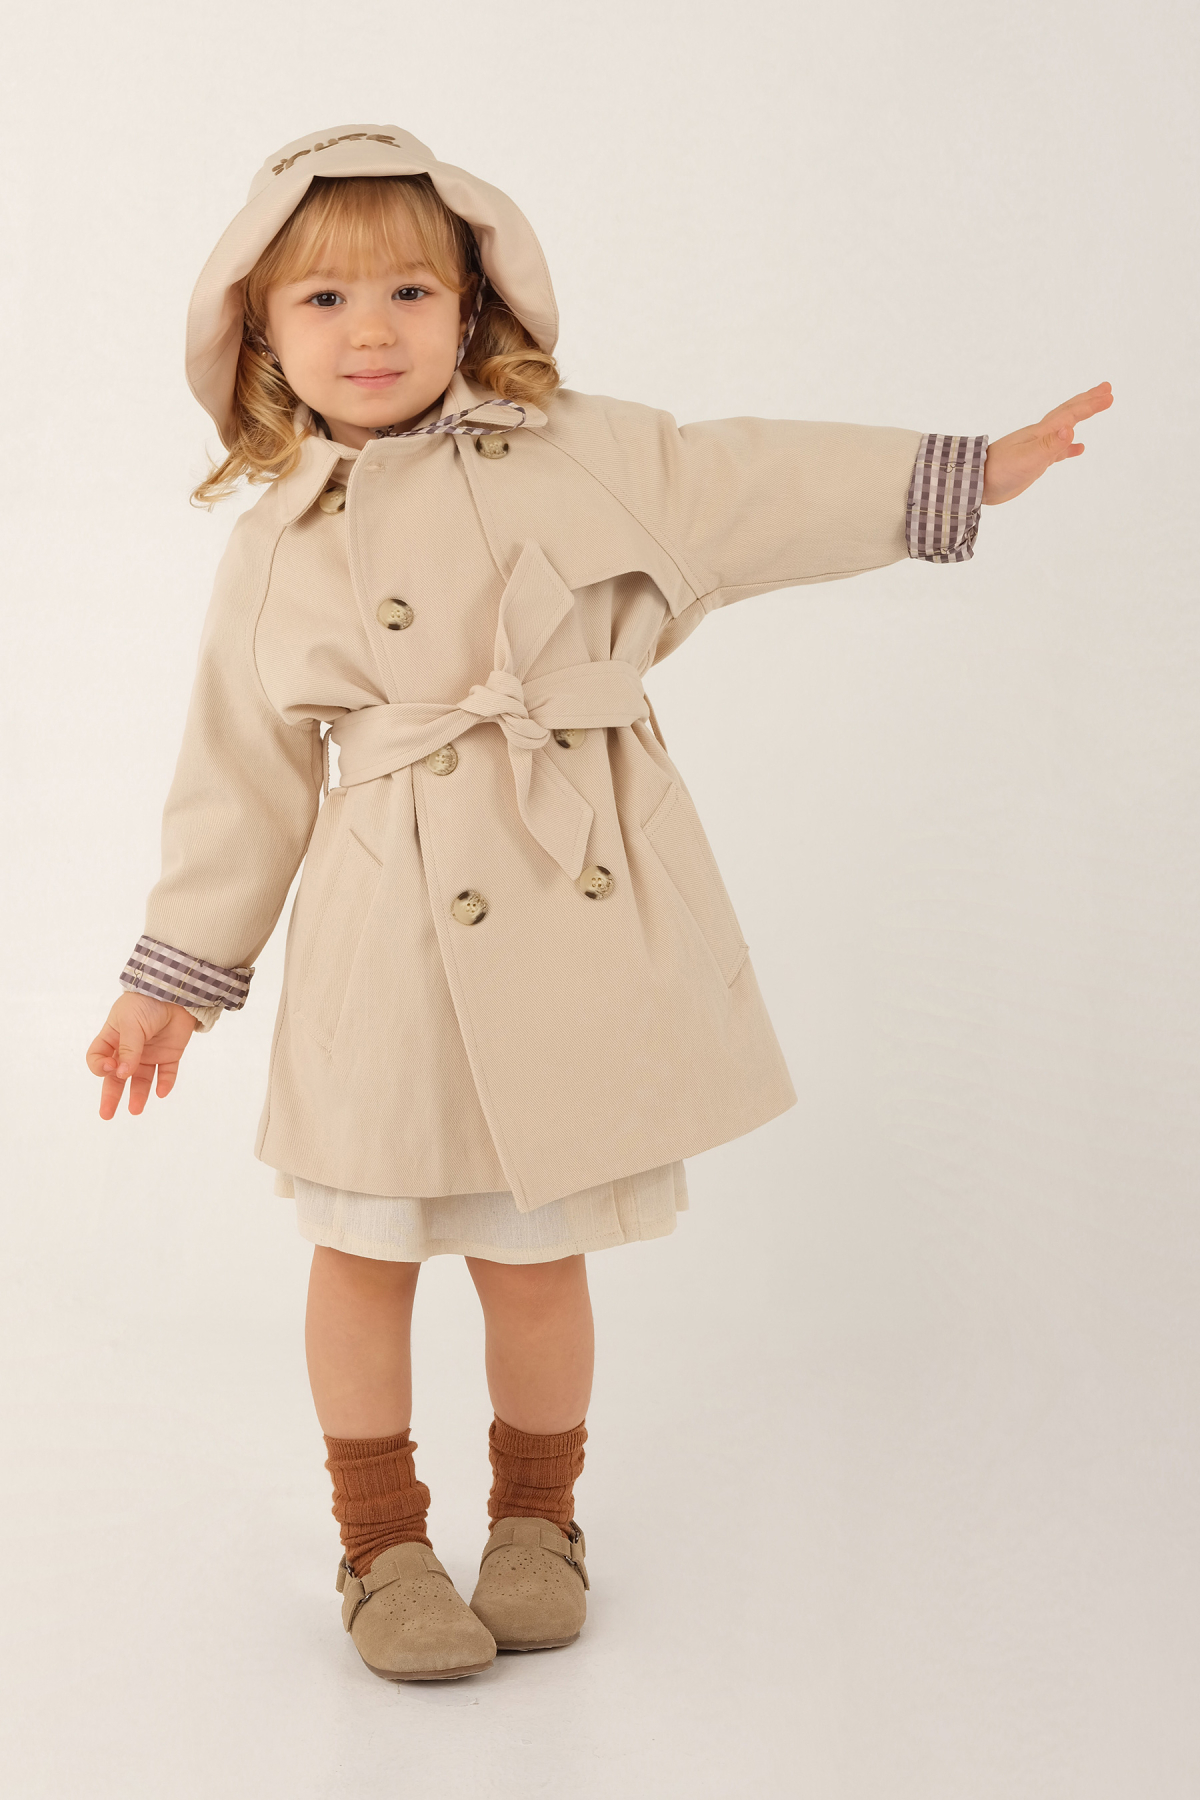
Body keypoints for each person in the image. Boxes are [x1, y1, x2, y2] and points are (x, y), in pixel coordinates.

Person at [85, 124, 1113, 1683]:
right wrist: (175, 977)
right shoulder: (275, 541)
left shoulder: (588, 455)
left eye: (410, 291)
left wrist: (964, 469)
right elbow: (240, 774)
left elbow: (753, 479)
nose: (371, 330)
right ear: (261, 336)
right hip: (385, 936)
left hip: (561, 909)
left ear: (474, 304)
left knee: (534, 1247)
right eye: (324, 300)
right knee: (361, 1246)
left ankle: (538, 1521)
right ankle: (379, 1541)